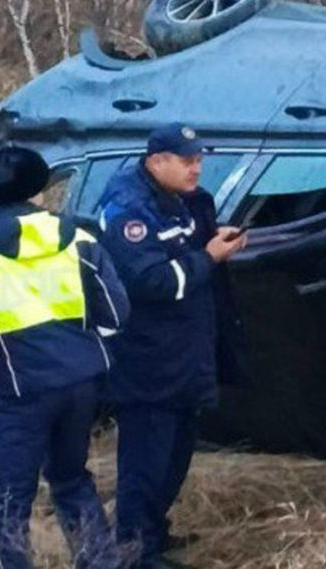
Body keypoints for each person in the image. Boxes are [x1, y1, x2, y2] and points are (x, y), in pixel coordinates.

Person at [0, 146, 130, 569]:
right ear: (41, 191)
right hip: (81, 387)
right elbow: (116, 314)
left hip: (20, 394)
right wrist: (84, 348)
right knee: (73, 480)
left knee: (7, 498)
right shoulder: (82, 240)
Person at [96, 124, 246, 569]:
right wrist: (210, 258)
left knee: (175, 454)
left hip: (181, 356)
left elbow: (182, 254)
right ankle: (133, 552)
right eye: (187, 160)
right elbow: (151, 281)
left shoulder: (179, 200)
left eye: (199, 159)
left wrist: (214, 241)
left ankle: (154, 537)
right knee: (145, 462)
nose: (197, 167)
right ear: (156, 161)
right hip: (147, 361)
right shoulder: (130, 212)